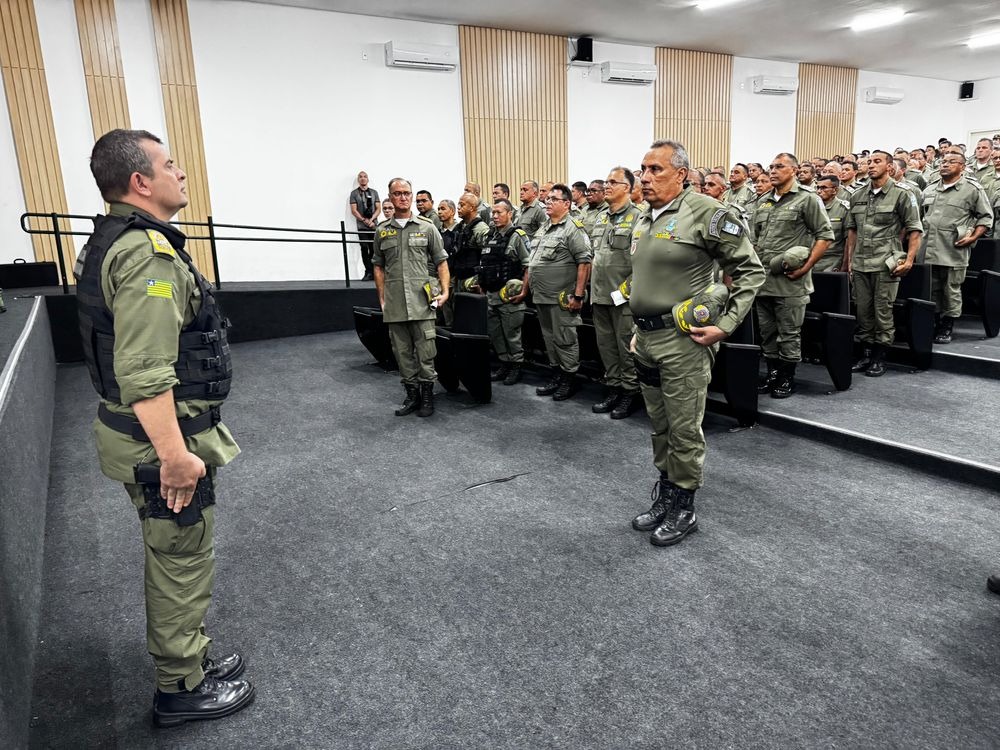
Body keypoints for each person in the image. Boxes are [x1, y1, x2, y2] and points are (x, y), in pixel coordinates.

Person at [76, 129, 254, 727]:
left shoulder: (114, 240)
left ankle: (193, 658)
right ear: (140, 183)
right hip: (160, 445)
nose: (180, 173)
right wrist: (175, 457)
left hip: (140, 436)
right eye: (169, 164)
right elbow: (145, 372)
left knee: (179, 551)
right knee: (180, 556)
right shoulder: (145, 253)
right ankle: (180, 686)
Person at [629, 139, 764, 547]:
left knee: (684, 428)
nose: (646, 177)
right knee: (660, 425)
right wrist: (637, 328)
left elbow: (750, 271)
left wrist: (725, 326)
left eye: (656, 170)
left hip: (682, 340)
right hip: (647, 338)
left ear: (682, 175)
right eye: (643, 169)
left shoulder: (707, 213)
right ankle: (666, 491)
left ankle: (684, 506)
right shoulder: (644, 218)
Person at [752, 153, 834, 398]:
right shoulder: (763, 201)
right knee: (767, 333)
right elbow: (755, 239)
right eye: (771, 166)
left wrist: (806, 267)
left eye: (779, 166)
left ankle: (787, 377)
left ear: (795, 171)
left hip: (790, 281)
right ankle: (773, 373)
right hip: (764, 280)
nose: (773, 170)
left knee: (788, 333)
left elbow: (825, 236)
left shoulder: (807, 199)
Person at [373, 178, 449, 416]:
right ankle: (412, 395)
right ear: (390, 196)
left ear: (411, 195)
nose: (403, 198)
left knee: (426, 352)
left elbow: (441, 261)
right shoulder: (382, 230)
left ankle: (427, 395)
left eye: (406, 193)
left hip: (422, 302)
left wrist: (445, 292)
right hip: (395, 304)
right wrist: (382, 298)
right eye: (397, 194)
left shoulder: (427, 227)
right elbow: (378, 266)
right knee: (402, 353)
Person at [844, 150, 924, 377]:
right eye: (869, 162)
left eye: (877, 161)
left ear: (889, 167)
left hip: (885, 261)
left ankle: (880, 356)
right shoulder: (857, 194)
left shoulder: (902, 194)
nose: (871, 165)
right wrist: (849, 261)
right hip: (860, 261)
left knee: (883, 310)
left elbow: (915, 229)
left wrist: (909, 260)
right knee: (862, 311)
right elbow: (852, 231)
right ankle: (866, 353)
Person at [525, 183, 592, 401]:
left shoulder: (573, 227)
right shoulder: (544, 227)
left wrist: (579, 295)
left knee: (565, 339)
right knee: (550, 339)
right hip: (542, 296)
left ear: (567, 203)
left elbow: (584, 262)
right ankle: (557, 375)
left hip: (562, 298)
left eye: (554, 199)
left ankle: (569, 378)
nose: (548, 202)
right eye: (548, 199)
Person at [920, 152, 994, 344]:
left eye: (952, 162)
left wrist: (973, 237)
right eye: (943, 161)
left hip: (953, 248)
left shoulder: (971, 189)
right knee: (931, 289)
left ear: (962, 166)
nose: (945, 165)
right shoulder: (929, 189)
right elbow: (919, 218)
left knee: (951, 289)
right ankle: (935, 322)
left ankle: (947, 325)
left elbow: (985, 217)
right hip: (927, 248)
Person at [588, 167, 643, 418]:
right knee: (606, 346)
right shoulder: (600, 217)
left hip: (624, 298)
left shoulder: (639, 218)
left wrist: (625, 292)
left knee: (625, 346)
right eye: (606, 181)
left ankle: (630, 392)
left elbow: (643, 263)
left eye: (613, 182)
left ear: (627, 188)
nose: (606, 185)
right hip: (599, 294)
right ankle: (614, 387)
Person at [480, 199, 532, 385]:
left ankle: (516, 366)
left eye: (499, 212)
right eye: (493, 213)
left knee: (512, 334)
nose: (494, 216)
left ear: (510, 213)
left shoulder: (517, 235)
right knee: (495, 333)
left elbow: (528, 266)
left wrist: (524, 291)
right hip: (491, 295)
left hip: (510, 296)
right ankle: (504, 363)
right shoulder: (489, 235)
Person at [814, 175, 850, 272]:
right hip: (812, 259)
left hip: (833, 260)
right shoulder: (811, 207)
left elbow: (849, 240)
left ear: (835, 190)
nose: (819, 191)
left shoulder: (843, 209)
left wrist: (845, 265)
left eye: (824, 188)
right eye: (818, 188)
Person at [349, 171, 380, 281]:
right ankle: (368, 271)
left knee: (374, 249)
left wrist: (371, 220)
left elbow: (378, 208)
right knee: (364, 248)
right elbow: (354, 210)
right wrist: (363, 220)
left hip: (373, 225)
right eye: (360, 177)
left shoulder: (374, 192)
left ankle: (374, 272)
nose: (363, 178)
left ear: (368, 179)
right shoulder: (354, 193)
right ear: (358, 179)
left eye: (365, 176)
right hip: (362, 226)